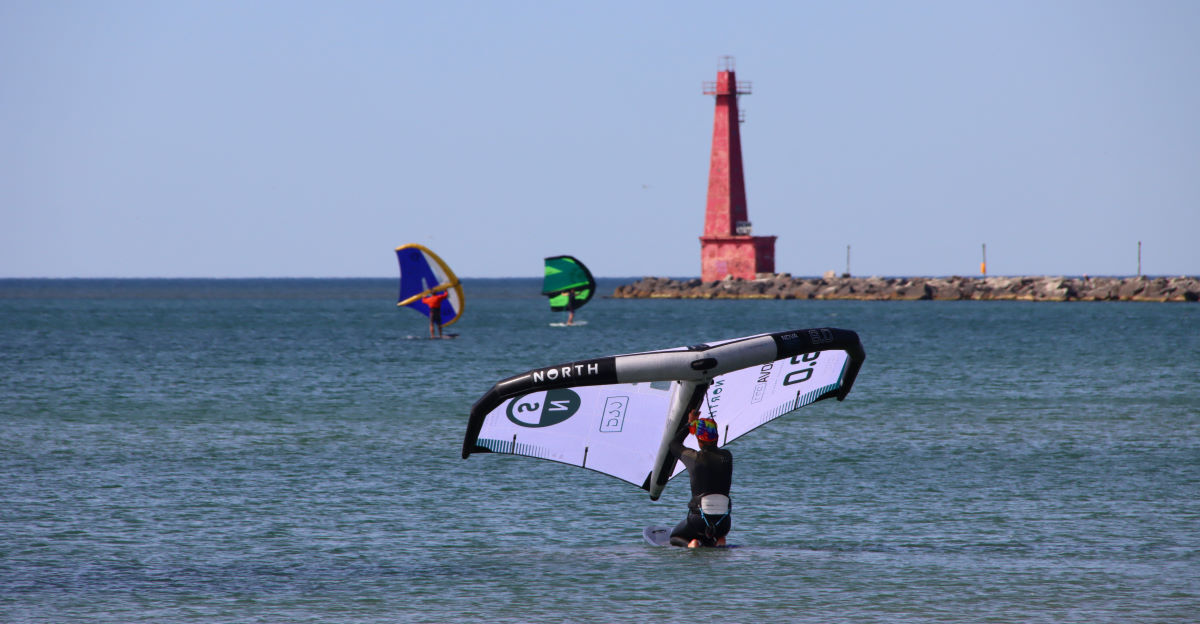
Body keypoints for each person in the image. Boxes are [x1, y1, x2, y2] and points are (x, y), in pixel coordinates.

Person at [668, 407, 733, 548]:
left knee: (675, 536)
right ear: (716, 437)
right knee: (712, 537)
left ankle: (693, 543)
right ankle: (720, 540)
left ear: (699, 439)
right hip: (724, 523)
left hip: (699, 521)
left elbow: (673, 445)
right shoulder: (727, 456)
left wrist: (690, 423)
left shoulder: (695, 458)